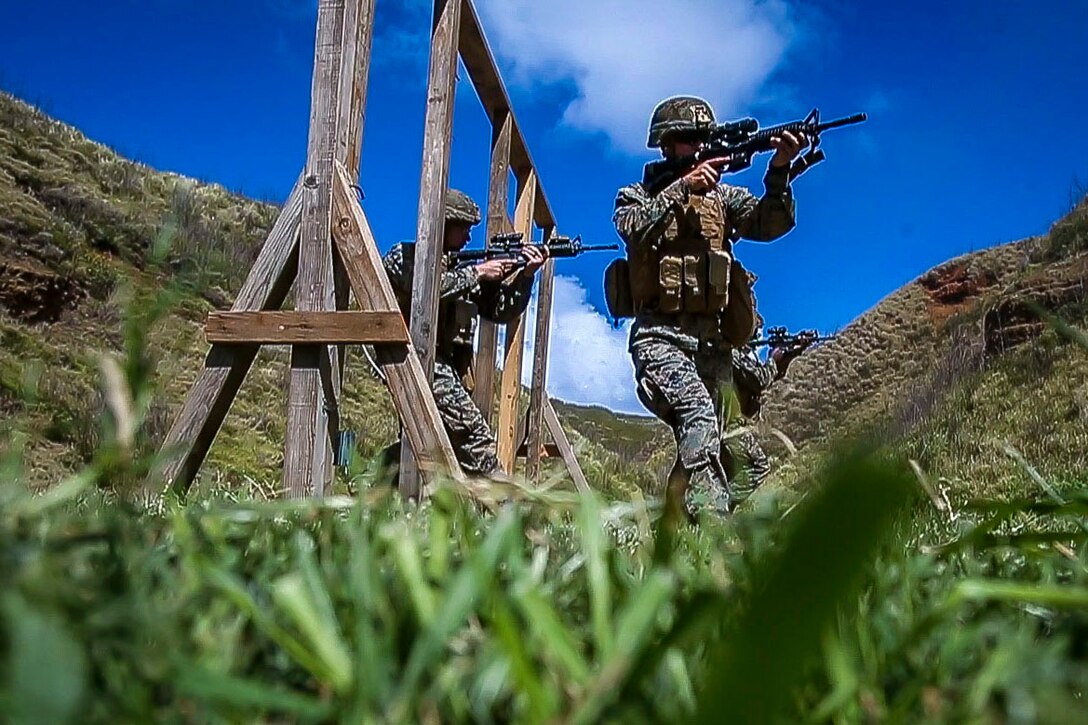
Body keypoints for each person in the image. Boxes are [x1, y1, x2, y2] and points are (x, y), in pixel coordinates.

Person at [611, 96, 807, 522]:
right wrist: (683, 187)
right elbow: (632, 228)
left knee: (745, 455)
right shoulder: (637, 194)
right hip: (659, 337)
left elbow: (769, 224)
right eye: (691, 140)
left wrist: (779, 171)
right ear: (667, 145)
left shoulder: (723, 198)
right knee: (698, 419)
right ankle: (713, 533)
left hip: (711, 345)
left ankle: (678, 526)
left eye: (705, 139)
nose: (700, 147)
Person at [381, 189, 547, 476]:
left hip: (441, 366)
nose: (469, 238)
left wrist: (526, 275)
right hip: (414, 358)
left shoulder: (462, 271)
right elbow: (425, 288)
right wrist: (479, 273)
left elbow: (501, 311)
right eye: (464, 229)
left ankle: (374, 483)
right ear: (444, 223)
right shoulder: (405, 257)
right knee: (473, 437)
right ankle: (507, 511)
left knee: (428, 447)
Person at [725, 322, 816, 500]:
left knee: (729, 472)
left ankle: (707, 513)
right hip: (729, 425)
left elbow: (768, 380)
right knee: (758, 467)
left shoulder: (744, 356)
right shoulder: (731, 353)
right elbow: (759, 380)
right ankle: (717, 508)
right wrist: (773, 360)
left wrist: (791, 354)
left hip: (736, 424)